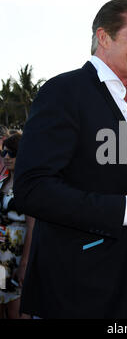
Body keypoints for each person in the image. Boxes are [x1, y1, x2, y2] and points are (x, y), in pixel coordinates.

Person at [13, 0, 127, 319]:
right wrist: (124, 209)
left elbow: (120, 176)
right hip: (76, 286)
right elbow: (32, 189)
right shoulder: (63, 92)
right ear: (103, 38)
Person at [0, 133, 34, 319]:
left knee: (15, 308)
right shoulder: (2, 183)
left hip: (17, 254)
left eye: (12, 153)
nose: (6, 157)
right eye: (4, 152)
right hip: (1, 255)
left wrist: (24, 263)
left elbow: (32, 226)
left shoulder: (27, 186)